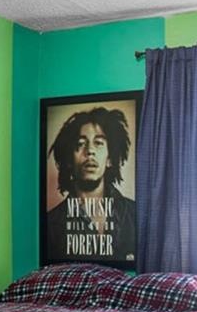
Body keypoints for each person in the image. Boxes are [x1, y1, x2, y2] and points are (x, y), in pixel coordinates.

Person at [44, 106, 136, 265]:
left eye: (99, 143)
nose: (90, 151)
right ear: (69, 160)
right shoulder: (51, 224)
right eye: (80, 144)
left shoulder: (134, 214)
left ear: (110, 159)